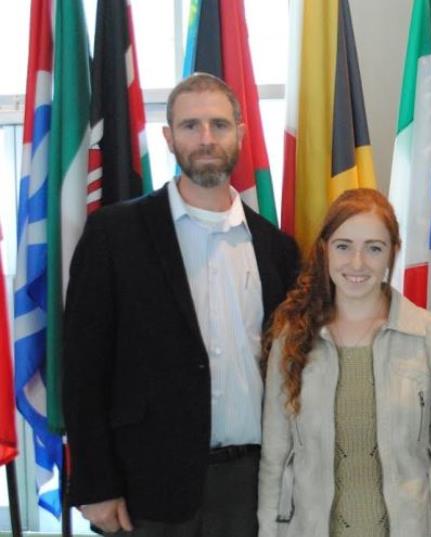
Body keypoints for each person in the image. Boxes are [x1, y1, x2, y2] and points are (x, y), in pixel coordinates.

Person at [63, 72, 300, 536]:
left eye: (219, 124)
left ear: (241, 133)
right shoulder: (115, 235)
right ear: (169, 138)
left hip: (256, 484)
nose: (206, 138)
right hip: (147, 487)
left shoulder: (277, 249)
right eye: (191, 126)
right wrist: (96, 484)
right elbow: (82, 369)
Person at [257, 188, 431, 537]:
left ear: (392, 254)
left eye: (374, 248)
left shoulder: (429, 335)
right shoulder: (291, 338)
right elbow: (275, 459)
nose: (357, 263)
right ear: (325, 250)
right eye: (344, 246)